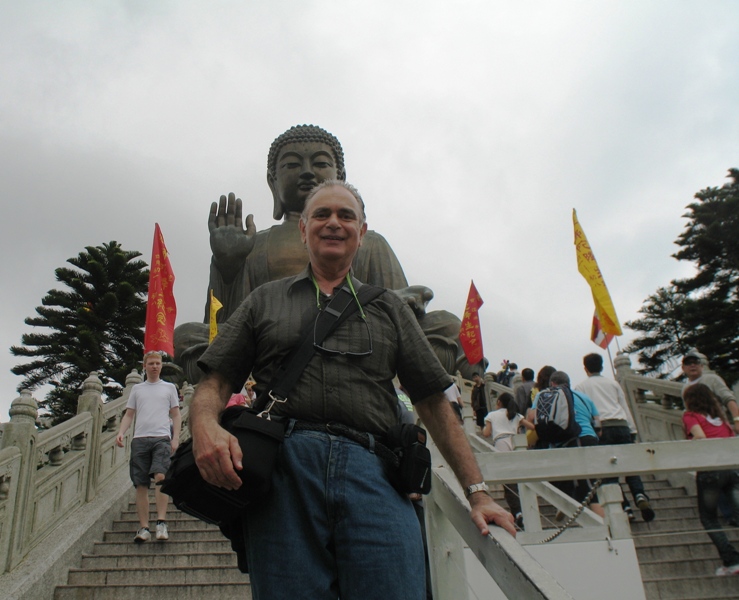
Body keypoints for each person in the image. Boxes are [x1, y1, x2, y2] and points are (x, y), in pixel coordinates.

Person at [189, 180, 515, 600]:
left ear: (363, 234)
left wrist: (478, 493)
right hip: (285, 470)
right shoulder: (264, 299)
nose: (334, 224)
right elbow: (215, 379)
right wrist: (203, 424)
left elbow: (433, 400)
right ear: (303, 228)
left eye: (346, 216)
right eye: (322, 215)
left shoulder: (389, 305)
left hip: (374, 468)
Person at [174, 124, 482, 382]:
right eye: (293, 165)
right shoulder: (254, 245)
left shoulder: (368, 242)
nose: (307, 172)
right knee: (188, 336)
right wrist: (228, 266)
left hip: (358, 335)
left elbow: (398, 305)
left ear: (340, 176)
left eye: (320, 163)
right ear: (273, 181)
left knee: (448, 326)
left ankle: (477, 382)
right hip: (273, 339)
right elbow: (223, 328)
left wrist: (401, 300)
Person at [575, 353, 655, 522]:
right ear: (602, 366)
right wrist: (632, 430)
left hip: (602, 429)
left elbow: (584, 412)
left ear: (585, 368)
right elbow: (624, 406)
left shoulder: (582, 387)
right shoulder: (613, 383)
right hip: (621, 425)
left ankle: (624, 507)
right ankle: (640, 495)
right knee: (629, 466)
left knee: (608, 472)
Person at [116, 351, 181, 543]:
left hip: (161, 437)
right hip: (140, 439)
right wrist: (121, 432)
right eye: (151, 363)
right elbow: (129, 414)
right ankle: (144, 527)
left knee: (161, 476)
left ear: (161, 366)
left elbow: (176, 415)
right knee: (141, 484)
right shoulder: (137, 389)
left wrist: (175, 438)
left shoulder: (169, 388)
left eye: (158, 363)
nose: (154, 366)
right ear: (145, 366)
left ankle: (161, 522)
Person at [529, 371, 604, 517]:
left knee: (582, 484)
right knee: (591, 483)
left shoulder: (544, 394)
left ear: (552, 383)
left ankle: (601, 524)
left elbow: (532, 417)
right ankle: (599, 520)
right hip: (590, 437)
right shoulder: (583, 397)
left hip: (569, 441)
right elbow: (597, 422)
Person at [682, 383, 739, 576]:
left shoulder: (691, 416)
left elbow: (700, 436)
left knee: (709, 518)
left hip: (710, 472)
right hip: (731, 469)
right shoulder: (721, 419)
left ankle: (731, 560)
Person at [482, 392, 535, 528]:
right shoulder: (516, 415)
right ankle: (524, 511)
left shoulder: (492, 415)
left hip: (501, 443)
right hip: (516, 443)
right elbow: (532, 427)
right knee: (519, 478)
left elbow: (486, 433)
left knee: (508, 481)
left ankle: (518, 513)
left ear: (499, 402)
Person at [681, 349, 739, 434]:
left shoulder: (712, 379)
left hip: (720, 426)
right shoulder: (685, 388)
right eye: (688, 363)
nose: (692, 365)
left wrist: (737, 420)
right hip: (701, 431)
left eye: (696, 362)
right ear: (683, 368)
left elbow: (729, 399)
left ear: (702, 366)